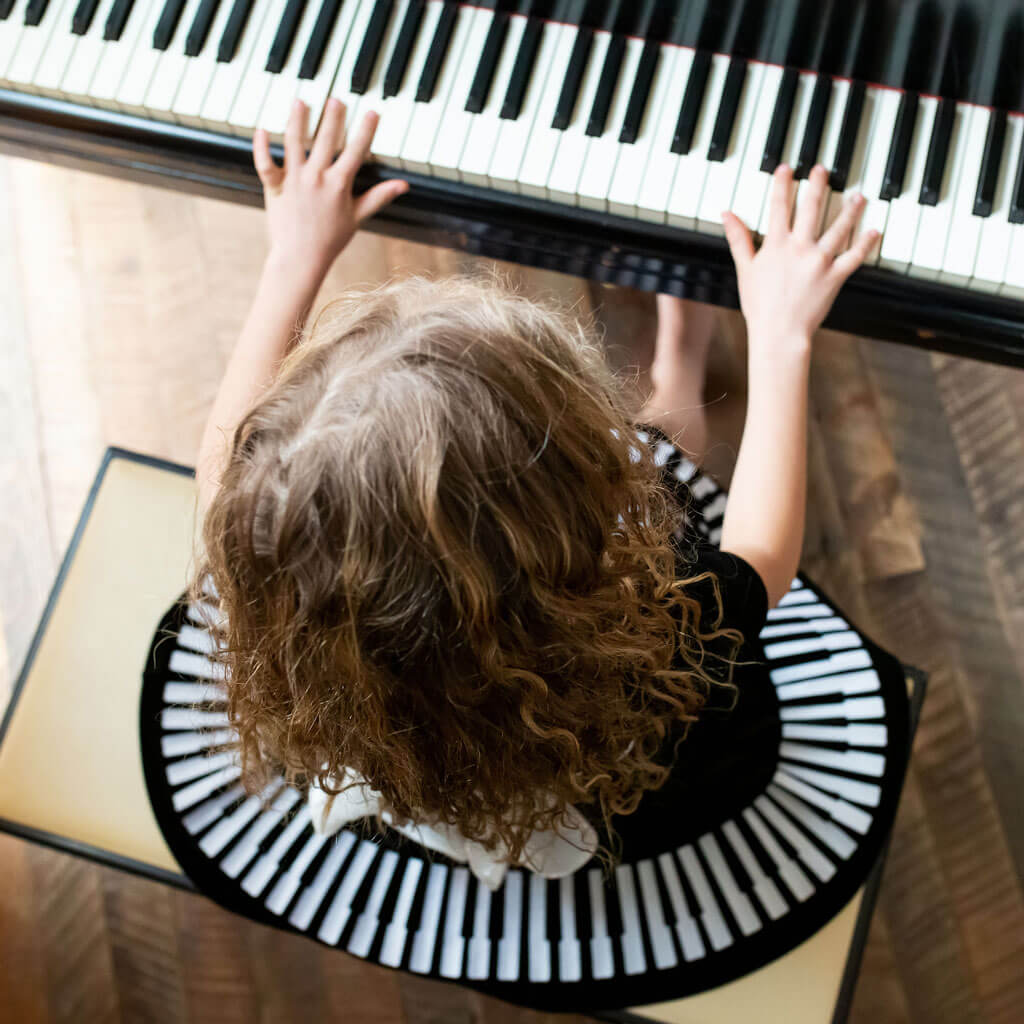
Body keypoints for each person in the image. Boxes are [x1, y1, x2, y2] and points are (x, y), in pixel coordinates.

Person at [139, 96, 910, 1008]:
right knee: (670, 481)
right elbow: (763, 553)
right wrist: (785, 335)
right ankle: (678, 374)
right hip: (653, 794)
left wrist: (293, 255)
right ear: (566, 521)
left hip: (404, 760)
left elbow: (223, 453)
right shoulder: (656, 647)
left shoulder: (263, 529)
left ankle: (678, 363)